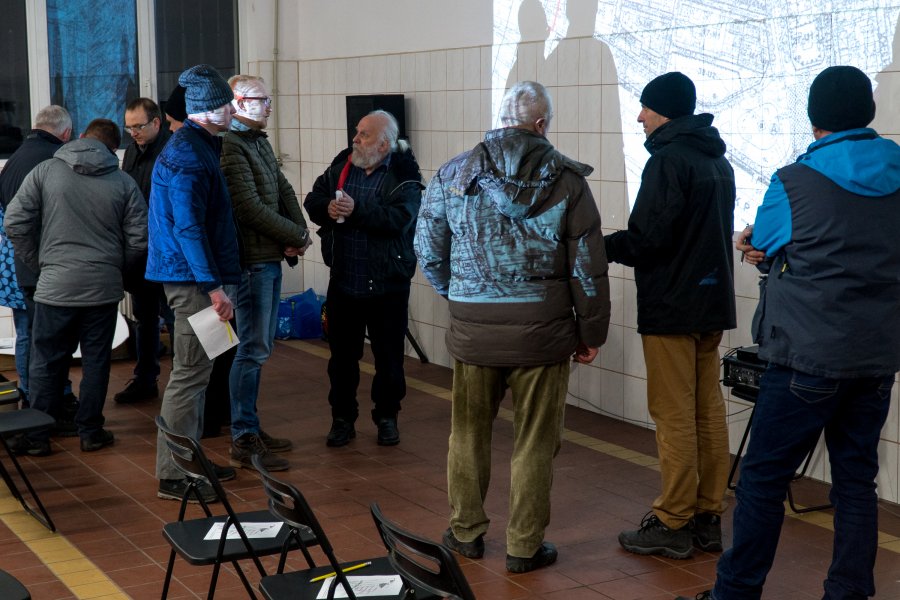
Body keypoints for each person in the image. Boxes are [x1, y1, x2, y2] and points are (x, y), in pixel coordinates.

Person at [681, 66, 900, 600]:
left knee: (762, 481)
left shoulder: (793, 180)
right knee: (855, 482)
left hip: (805, 356)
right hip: (876, 356)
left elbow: (770, 241)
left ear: (813, 115)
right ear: (867, 113)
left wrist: (756, 247)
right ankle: (847, 593)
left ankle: (735, 593)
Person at [415, 81, 611, 573]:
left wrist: (458, 294)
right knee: (535, 441)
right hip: (542, 332)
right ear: (541, 124)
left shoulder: (454, 172)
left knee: (468, 433)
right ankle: (524, 547)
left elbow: (426, 247)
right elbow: (586, 266)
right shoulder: (568, 180)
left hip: (474, 329)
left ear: (500, 119)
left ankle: (466, 533)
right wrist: (592, 334)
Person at [605, 72, 736, 559]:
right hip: (710, 303)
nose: (639, 117)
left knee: (673, 414)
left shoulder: (668, 161)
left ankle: (672, 519)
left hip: (673, 306)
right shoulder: (716, 158)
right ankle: (707, 516)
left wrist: (599, 246)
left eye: (644, 107)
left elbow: (648, 238)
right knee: (707, 411)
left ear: (663, 111)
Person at [5, 118, 147, 456]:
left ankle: (37, 436)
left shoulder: (45, 173)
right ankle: (91, 432)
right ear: (113, 149)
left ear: (80, 138)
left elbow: (14, 222)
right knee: (97, 361)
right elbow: (140, 240)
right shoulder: (123, 182)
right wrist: (113, 268)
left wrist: (41, 263)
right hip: (102, 288)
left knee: (46, 361)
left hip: (55, 287)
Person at [147, 64, 241, 502]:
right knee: (188, 375)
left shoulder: (200, 146)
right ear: (206, 110)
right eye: (226, 104)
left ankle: (193, 460)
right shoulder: (187, 154)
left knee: (201, 373)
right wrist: (214, 287)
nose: (232, 109)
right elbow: (188, 228)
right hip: (194, 284)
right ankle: (174, 474)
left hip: (200, 280)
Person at [303, 109, 423, 448]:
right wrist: (326, 208)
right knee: (341, 360)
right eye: (357, 132)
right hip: (345, 280)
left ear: (384, 144)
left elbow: (398, 219)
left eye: (364, 135)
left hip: (387, 285)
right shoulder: (343, 164)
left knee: (388, 360)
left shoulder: (405, 175)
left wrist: (357, 211)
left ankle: (387, 417)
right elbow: (313, 198)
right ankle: (342, 420)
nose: (355, 139)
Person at [221, 74, 311, 471]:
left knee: (260, 347)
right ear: (238, 102)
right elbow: (249, 207)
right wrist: (292, 235)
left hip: (268, 256)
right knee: (252, 349)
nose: (269, 106)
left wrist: (301, 233)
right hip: (252, 263)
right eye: (261, 99)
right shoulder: (231, 145)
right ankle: (243, 434)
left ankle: (250, 424)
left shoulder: (257, 141)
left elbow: (282, 190)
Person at [0, 105, 73, 413]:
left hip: (14, 263)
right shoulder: (53, 160)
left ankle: (29, 396)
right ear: (66, 133)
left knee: (25, 334)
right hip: (41, 263)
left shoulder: (13, 159)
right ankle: (48, 402)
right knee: (48, 338)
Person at [114, 97, 172, 404]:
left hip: (169, 251)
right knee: (145, 316)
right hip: (141, 252)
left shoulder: (171, 151)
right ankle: (145, 378)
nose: (133, 133)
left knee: (175, 318)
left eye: (139, 126)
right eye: (129, 127)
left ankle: (184, 385)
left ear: (156, 123)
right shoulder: (132, 154)